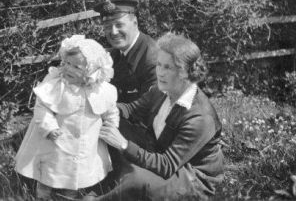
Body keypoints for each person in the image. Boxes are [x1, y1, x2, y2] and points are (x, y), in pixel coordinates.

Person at [0, 0, 158, 151]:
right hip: (117, 115)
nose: (113, 32)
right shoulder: (118, 51)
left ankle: (25, 150)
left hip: (139, 131)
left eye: (119, 25)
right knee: (63, 99)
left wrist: (94, 106)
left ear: (135, 23)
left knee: (73, 110)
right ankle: (19, 144)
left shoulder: (151, 58)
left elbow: (144, 111)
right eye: (107, 26)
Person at [85, 33, 224, 201]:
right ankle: (103, 177)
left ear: (185, 73)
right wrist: (103, 108)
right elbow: (131, 109)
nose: (160, 72)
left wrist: (123, 144)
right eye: (158, 65)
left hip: (191, 176)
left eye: (167, 67)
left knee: (138, 181)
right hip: (158, 149)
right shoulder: (161, 90)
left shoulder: (200, 117)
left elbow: (166, 165)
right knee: (111, 122)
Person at [15, 35, 120, 200]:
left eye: (77, 66)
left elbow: (110, 110)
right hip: (56, 142)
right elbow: (42, 107)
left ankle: (69, 194)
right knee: (51, 169)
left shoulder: (101, 90)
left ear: (92, 70)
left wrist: (111, 127)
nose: (69, 69)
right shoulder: (57, 84)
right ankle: (43, 194)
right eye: (67, 63)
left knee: (76, 172)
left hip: (87, 142)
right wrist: (49, 127)